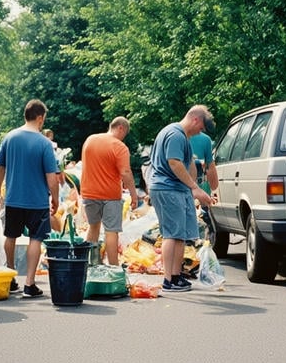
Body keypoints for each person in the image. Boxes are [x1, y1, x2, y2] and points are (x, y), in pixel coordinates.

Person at [0, 99, 59, 298]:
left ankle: (10, 277)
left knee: (10, 236)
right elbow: (52, 177)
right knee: (35, 239)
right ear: (40, 117)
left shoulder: (9, 138)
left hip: (13, 198)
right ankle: (29, 283)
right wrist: (55, 199)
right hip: (37, 201)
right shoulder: (44, 143)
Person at [147, 105, 216, 292]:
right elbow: (174, 163)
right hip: (167, 188)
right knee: (172, 234)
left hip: (173, 189)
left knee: (179, 235)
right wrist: (195, 188)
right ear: (195, 119)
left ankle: (176, 276)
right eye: (201, 128)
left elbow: (187, 164)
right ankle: (169, 280)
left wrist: (194, 187)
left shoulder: (181, 136)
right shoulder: (176, 134)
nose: (199, 132)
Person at [81, 116, 138, 265]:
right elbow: (125, 172)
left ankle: (89, 264)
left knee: (93, 227)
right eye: (125, 133)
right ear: (121, 128)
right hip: (110, 195)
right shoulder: (119, 147)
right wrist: (133, 194)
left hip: (88, 193)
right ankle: (114, 269)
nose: (123, 138)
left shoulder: (90, 140)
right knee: (111, 231)